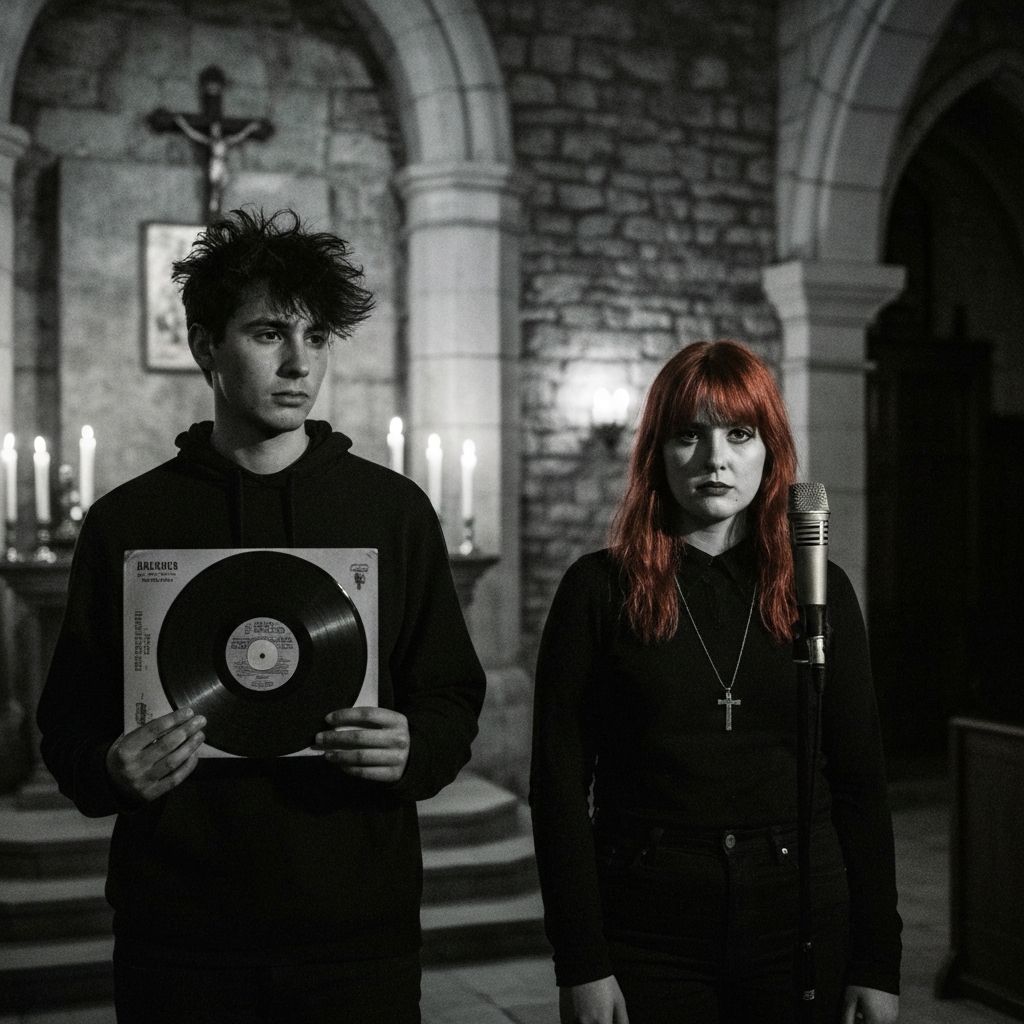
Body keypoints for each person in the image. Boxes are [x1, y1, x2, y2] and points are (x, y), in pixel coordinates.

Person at [37, 208, 486, 1023]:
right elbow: (66, 724)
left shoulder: (393, 513)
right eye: (269, 333)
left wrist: (415, 747)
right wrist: (109, 768)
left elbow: (453, 698)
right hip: (180, 938)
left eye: (317, 338)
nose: (298, 363)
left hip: (357, 935)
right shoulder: (127, 525)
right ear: (206, 347)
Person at [530, 341, 901, 1024]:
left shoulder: (820, 591)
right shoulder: (597, 590)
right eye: (688, 436)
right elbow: (558, 784)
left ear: (770, 449)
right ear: (656, 453)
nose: (715, 460)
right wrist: (581, 960)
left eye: (738, 434)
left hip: (800, 912)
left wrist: (878, 959)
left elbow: (859, 780)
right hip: (649, 918)